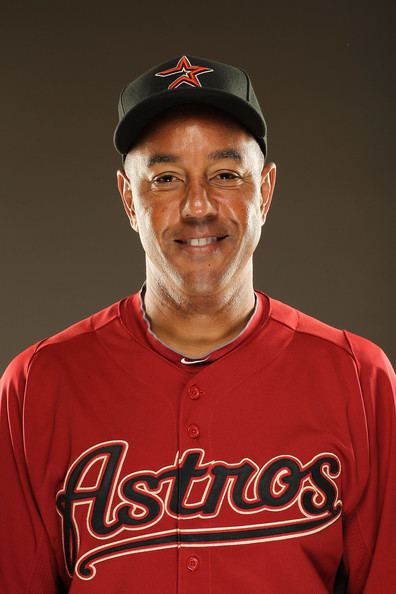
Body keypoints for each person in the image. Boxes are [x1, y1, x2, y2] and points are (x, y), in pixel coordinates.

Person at [0, 55, 395, 594]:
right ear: (128, 200)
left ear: (266, 192)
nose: (198, 205)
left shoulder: (358, 377)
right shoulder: (36, 385)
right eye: (165, 178)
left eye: (226, 175)